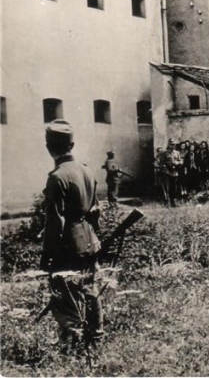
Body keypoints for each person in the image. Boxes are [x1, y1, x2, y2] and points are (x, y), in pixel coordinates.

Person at [41, 120, 104, 346]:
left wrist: (48, 254)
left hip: (68, 244)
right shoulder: (86, 170)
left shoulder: (57, 177)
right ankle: (96, 337)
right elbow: (96, 210)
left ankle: (74, 343)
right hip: (90, 241)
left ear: (49, 147)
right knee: (89, 288)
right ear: (72, 144)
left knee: (66, 293)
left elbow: (54, 222)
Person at [160, 139, 183, 206]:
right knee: (167, 188)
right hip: (167, 172)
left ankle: (173, 202)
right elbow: (161, 164)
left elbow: (181, 161)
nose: (172, 146)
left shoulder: (177, 153)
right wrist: (166, 171)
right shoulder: (164, 153)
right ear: (168, 144)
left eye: (173, 144)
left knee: (174, 188)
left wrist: (177, 163)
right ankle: (167, 202)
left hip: (174, 172)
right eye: (171, 144)